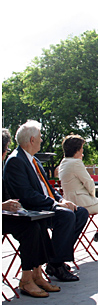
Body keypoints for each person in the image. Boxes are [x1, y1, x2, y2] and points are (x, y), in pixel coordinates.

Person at [3, 120, 88, 282]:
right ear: (32, 140)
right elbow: (26, 195)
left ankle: (54, 260)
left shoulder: (33, 160)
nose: (42, 140)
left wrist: (61, 199)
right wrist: (56, 204)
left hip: (47, 205)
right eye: (40, 137)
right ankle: (56, 264)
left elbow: (48, 189)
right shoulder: (16, 160)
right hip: (33, 209)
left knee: (81, 212)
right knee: (66, 215)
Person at [2, 128, 60, 297]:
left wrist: (11, 205)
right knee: (30, 229)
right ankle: (26, 279)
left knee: (37, 221)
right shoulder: (13, 161)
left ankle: (37, 273)